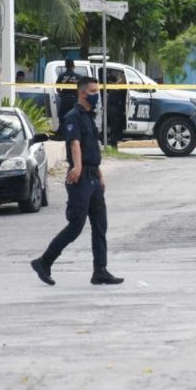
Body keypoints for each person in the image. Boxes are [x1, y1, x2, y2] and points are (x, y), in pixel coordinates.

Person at [31, 76, 124, 286]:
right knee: (76, 225)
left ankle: (100, 270)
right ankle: (44, 262)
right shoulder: (73, 116)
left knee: (100, 225)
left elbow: (91, 148)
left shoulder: (89, 116)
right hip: (80, 178)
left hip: (92, 176)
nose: (97, 95)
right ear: (82, 93)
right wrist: (78, 167)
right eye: (93, 91)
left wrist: (99, 173)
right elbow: (74, 144)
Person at [105, 69, 127, 149]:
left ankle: (114, 144)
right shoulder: (119, 86)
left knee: (115, 128)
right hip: (115, 109)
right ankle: (113, 145)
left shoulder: (119, 85)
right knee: (115, 128)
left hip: (115, 108)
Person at [56, 59, 80, 129]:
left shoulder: (61, 76)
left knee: (63, 116)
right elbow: (82, 88)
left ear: (65, 66)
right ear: (73, 66)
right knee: (74, 116)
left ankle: (63, 132)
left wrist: (60, 94)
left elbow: (57, 87)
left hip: (64, 99)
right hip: (74, 100)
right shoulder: (78, 76)